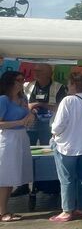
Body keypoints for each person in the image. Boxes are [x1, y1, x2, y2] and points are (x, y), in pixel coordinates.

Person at [48, 73, 82, 222]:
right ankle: (81, 208)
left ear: (72, 84)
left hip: (68, 146)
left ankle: (67, 211)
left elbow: (58, 126)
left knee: (67, 179)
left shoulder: (68, 100)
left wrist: (53, 133)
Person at [0, 71, 35, 222]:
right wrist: (20, 123)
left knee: (12, 175)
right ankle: (2, 212)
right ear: (10, 82)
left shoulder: (23, 98)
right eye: (19, 80)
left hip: (21, 137)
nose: (22, 83)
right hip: (8, 138)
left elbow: (27, 117)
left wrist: (30, 116)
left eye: (23, 79)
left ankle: (5, 210)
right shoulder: (3, 100)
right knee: (5, 176)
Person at [23, 63, 67, 146]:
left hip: (49, 125)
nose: (35, 73)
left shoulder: (59, 87)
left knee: (47, 149)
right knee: (27, 149)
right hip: (30, 123)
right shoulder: (26, 85)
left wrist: (39, 104)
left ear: (49, 73)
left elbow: (61, 108)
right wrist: (31, 108)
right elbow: (21, 105)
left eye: (39, 71)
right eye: (35, 70)